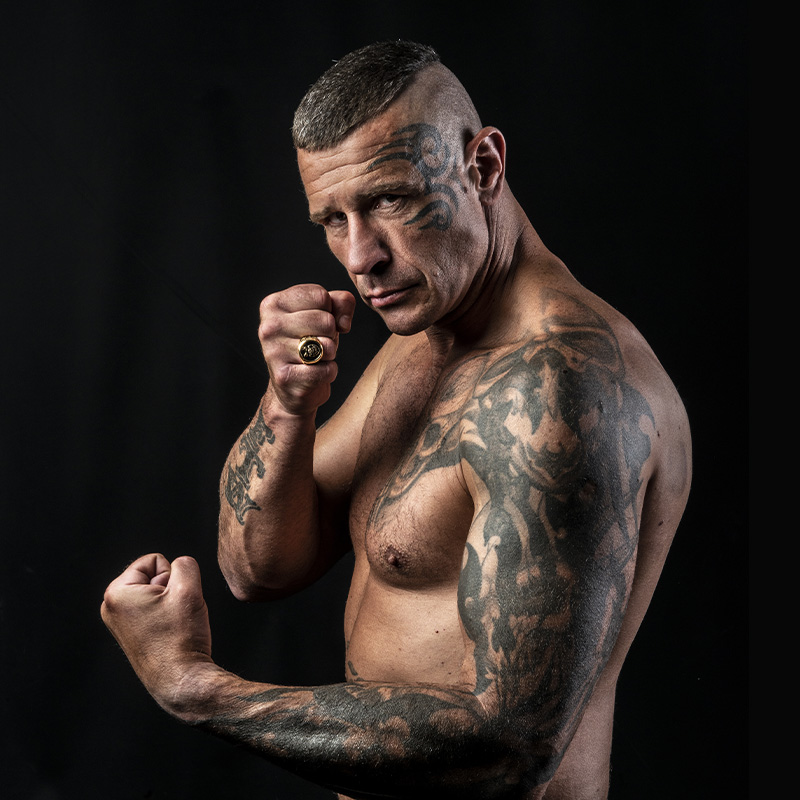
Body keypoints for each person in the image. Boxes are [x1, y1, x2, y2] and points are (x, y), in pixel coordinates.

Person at [101, 40, 692, 799]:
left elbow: (509, 749)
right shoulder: (427, 338)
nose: (360, 257)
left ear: (483, 165)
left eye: (389, 200)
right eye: (332, 218)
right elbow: (259, 570)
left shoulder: (557, 385)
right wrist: (289, 401)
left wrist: (194, 687)